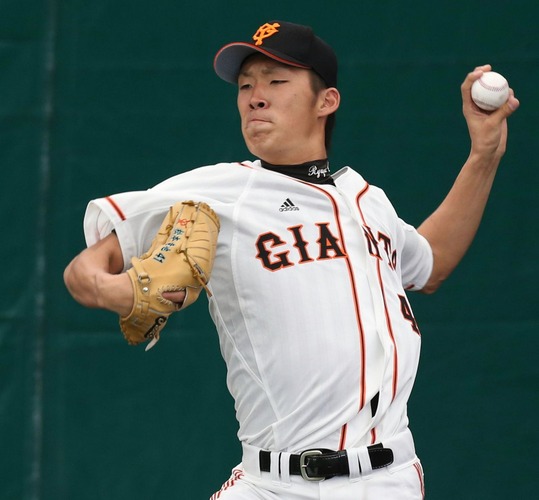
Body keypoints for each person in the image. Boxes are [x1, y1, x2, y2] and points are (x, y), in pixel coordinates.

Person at [64, 20, 519, 500]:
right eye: (245, 86)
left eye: (276, 81)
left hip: (387, 479)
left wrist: (484, 154)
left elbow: (432, 264)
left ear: (327, 101)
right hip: (271, 485)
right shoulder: (218, 191)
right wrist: (121, 291)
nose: (255, 98)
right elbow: (84, 270)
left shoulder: (368, 201)